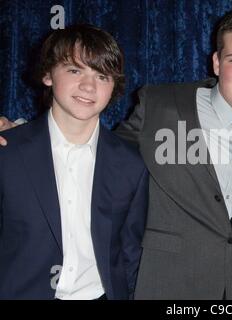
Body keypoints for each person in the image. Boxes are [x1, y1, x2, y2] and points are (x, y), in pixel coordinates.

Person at [0, 7, 232, 299]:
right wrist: (21, 135)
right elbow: (95, 152)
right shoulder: (162, 107)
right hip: (171, 290)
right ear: (217, 62)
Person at [0, 24, 149, 299]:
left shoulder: (131, 164)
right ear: (48, 74)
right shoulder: (7, 151)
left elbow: (131, 253)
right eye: (74, 70)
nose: (88, 86)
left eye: (102, 75)